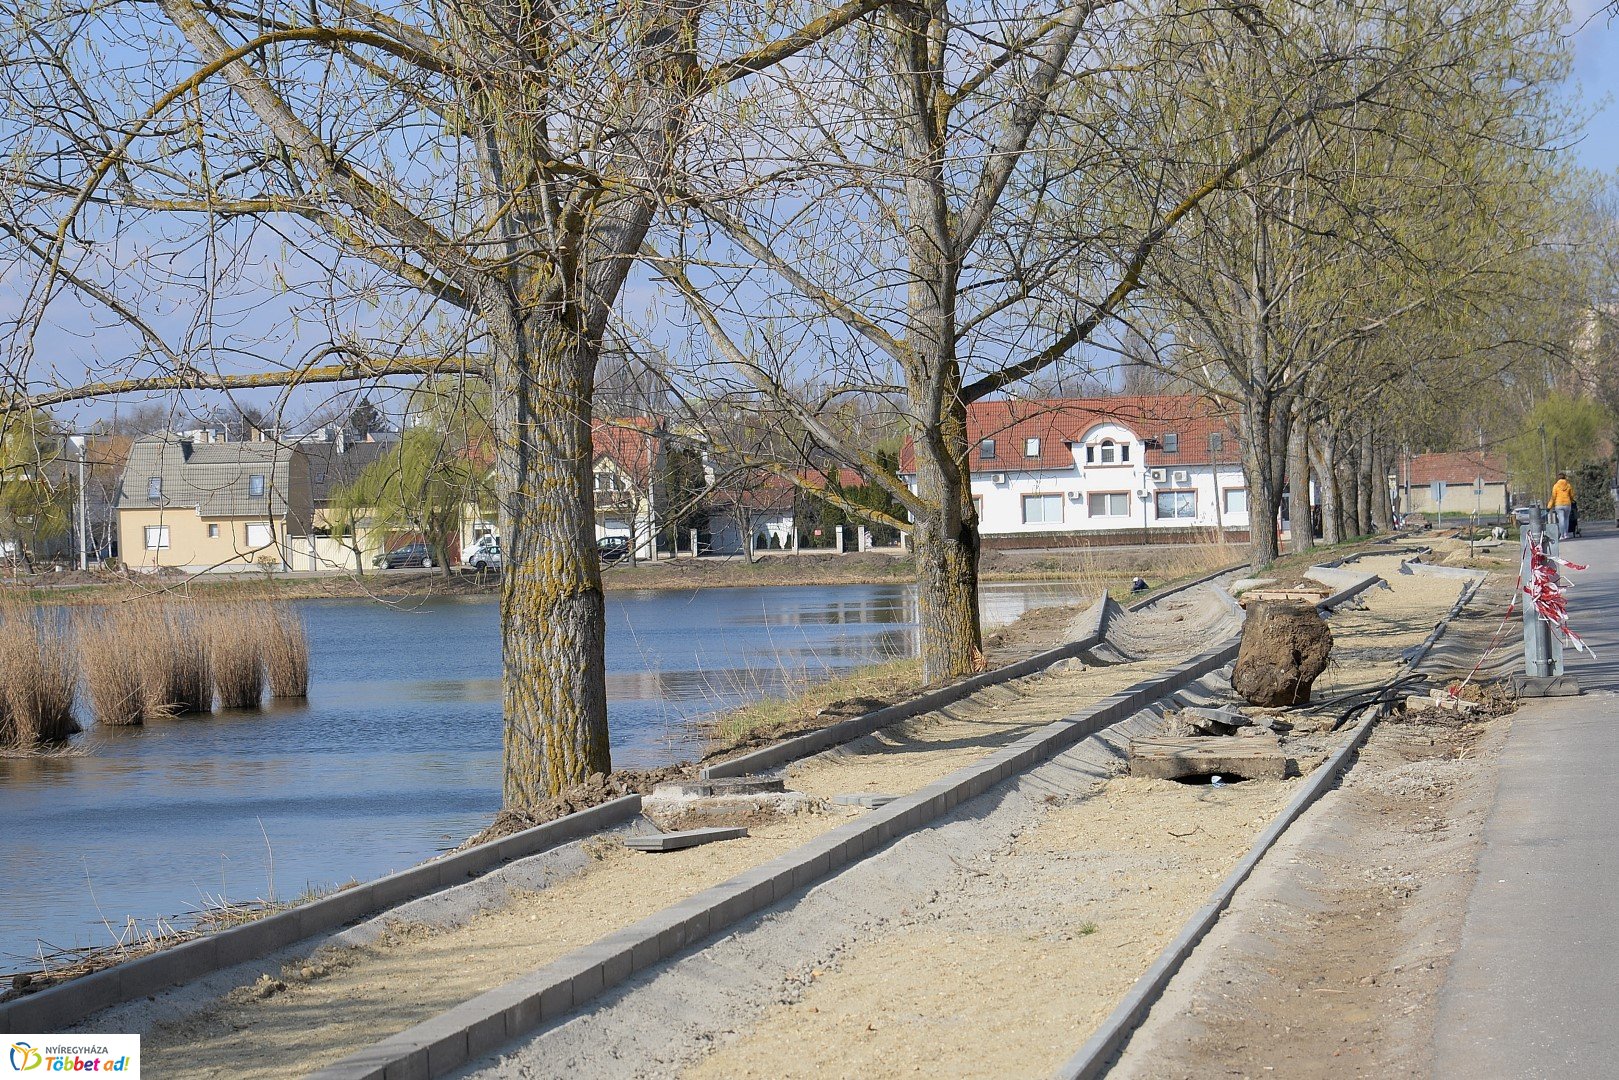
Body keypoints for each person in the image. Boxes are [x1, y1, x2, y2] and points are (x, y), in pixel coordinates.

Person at [1548, 471, 1574, 539]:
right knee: (1566, 519)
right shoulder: (1568, 485)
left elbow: (1553, 497)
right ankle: (1566, 534)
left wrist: (1549, 506)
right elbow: (1571, 495)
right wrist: (1571, 500)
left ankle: (1561, 535)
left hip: (1558, 504)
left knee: (1561, 519)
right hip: (1567, 504)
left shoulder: (1556, 486)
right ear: (1565, 477)